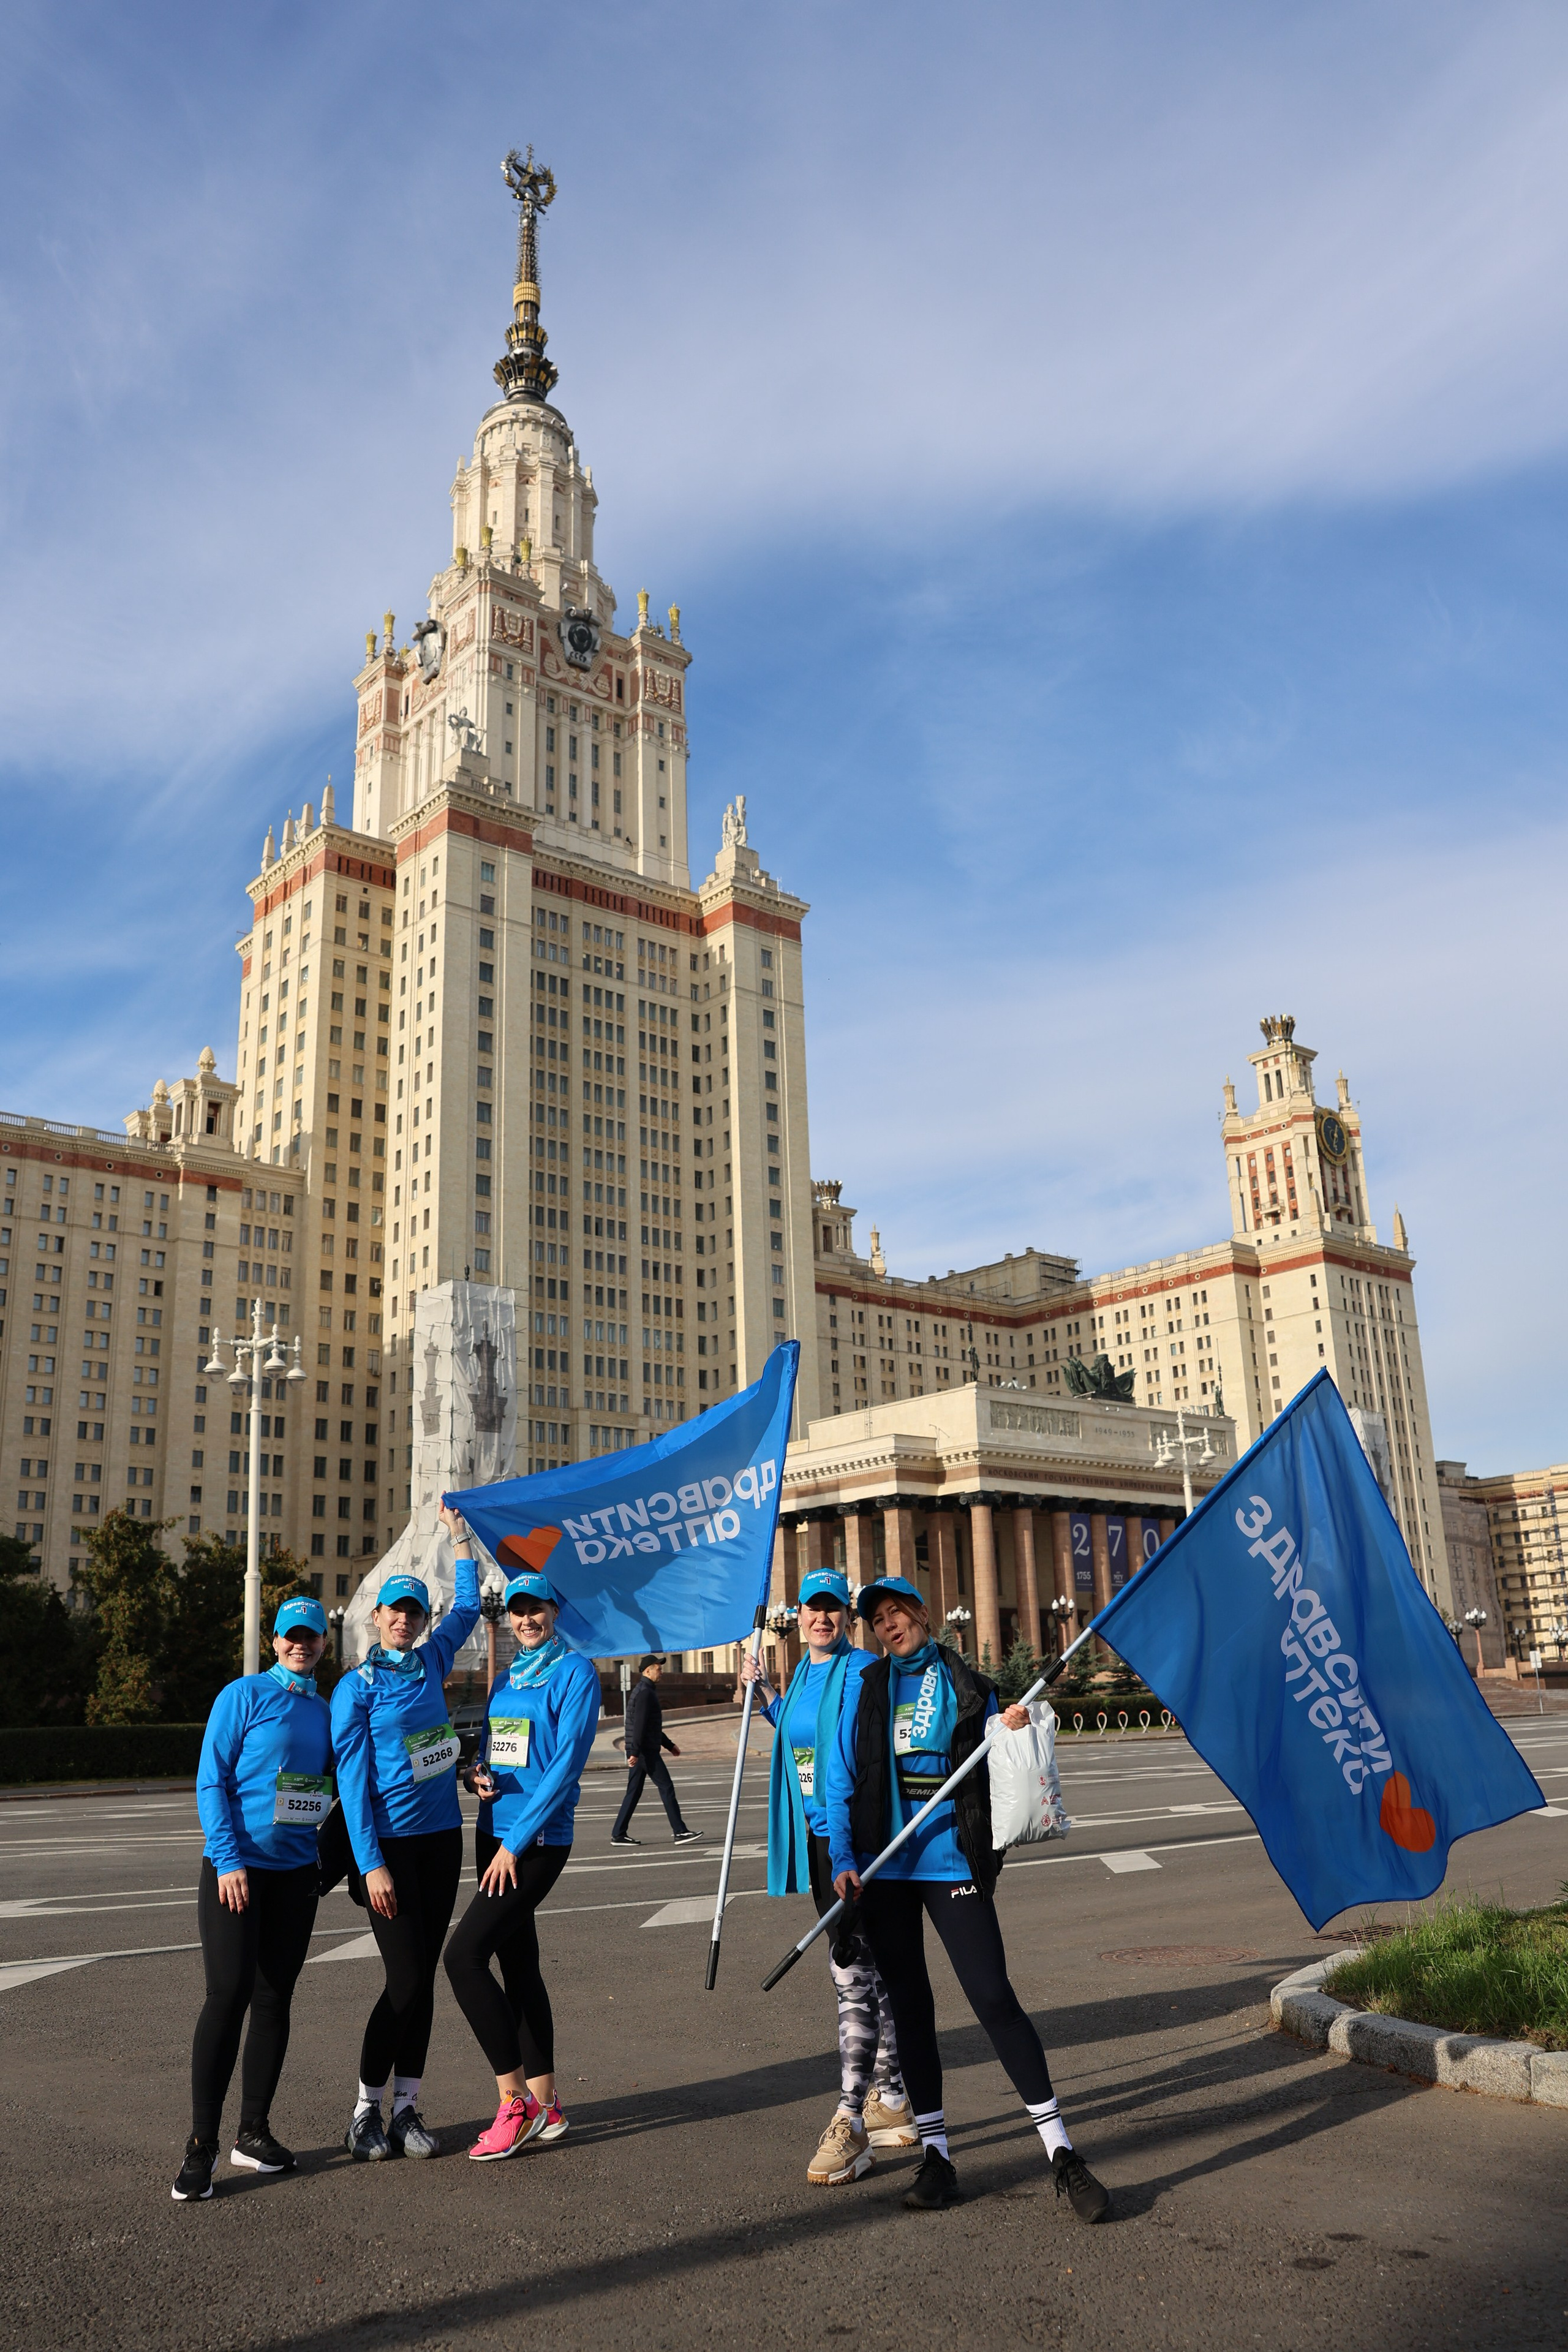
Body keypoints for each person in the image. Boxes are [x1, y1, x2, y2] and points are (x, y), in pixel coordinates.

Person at [825, 1575, 1110, 2222]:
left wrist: (1009, 1725)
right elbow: (841, 1777)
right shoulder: (867, 1688)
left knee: (992, 1997)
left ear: (922, 1615)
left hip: (951, 1860)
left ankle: (1060, 2151)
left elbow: (1004, 1758)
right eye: (878, 1621)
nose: (889, 1626)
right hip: (885, 1869)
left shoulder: (969, 1685)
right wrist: (844, 1858)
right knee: (912, 2009)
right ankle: (937, 2157)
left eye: (897, 1613)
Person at [742, 1567, 916, 2187]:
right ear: (799, 1616)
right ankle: (892, 2096)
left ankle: (854, 2118)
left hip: (856, 1839)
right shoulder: (805, 1674)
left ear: (845, 1615)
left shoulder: (866, 1669)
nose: (821, 1619)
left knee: (849, 1966)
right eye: (812, 1610)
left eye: (831, 1610)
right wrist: (764, 1697)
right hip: (816, 1834)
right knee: (863, 1965)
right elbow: (801, 1738)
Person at [331, 1504, 481, 2160]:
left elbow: (471, 1609)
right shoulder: (356, 1689)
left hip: (441, 1840)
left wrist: (461, 1540)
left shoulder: (431, 1663)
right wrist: (370, 1865)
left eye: (413, 1613)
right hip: (388, 1849)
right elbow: (352, 1784)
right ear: (376, 1618)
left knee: (423, 1980)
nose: (402, 1620)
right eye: (394, 1610)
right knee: (405, 1980)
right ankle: (364, 2110)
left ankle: (407, 2109)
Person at [174, 1594, 334, 2201]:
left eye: (312, 1637)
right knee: (228, 1995)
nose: (302, 1644)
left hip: (295, 1877)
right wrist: (229, 1858)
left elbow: (346, 1782)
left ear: (323, 1643)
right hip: (235, 1872)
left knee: (274, 2000)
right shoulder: (242, 1696)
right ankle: (201, 2146)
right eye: (292, 1635)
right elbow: (212, 1780)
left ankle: (253, 2133)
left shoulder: (323, 1710)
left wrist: (330, 1862)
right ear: (275, 1641)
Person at [443, 1564, 602, 2159]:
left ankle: (515, 2102)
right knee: (520, 1963)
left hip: (533, 1844)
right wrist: (476, 1776)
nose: (528, 1618)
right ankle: (549, 2103)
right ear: (508, 1618)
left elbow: (564, 1769)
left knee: (462, 1958)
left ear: (554, 1611)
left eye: (537, 1608)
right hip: (494, 1831)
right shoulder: (507, 1679)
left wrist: (515, 1844)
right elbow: (495, 1750)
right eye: (518, 1610)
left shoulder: (575, 1674)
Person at [610, 1655, 701, 1846]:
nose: (662, 1671)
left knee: (633, 1792)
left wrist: (669, 1745)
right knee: (666, 1787)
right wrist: (634, 1752)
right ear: (648, 1671)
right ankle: (680, 1831)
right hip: (645, 1752)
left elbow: (650, 1726)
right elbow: (640, 1725)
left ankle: (619, 1833)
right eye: (658, 1668)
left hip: (642, 1749)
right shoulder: (645, 1692)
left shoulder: (645, 1690)